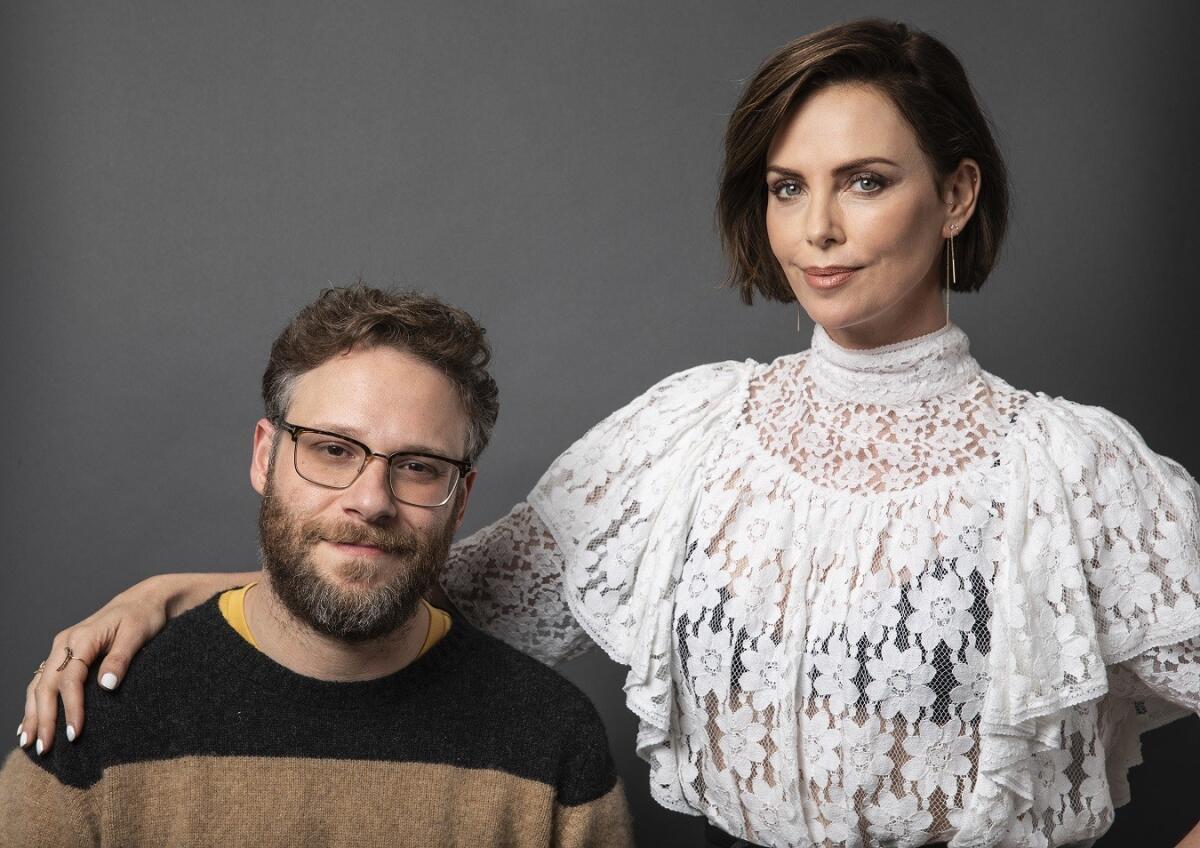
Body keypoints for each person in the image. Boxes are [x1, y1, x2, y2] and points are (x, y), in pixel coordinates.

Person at [18, 19, 1200, 848]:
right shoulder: (691, 432)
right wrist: (184, 593)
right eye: (786, 186)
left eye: (866, 179)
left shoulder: (1069, 466)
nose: (819, 229)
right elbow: (440, 586)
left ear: (954, 196)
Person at [2, 287, 633, 847]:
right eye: (333, 450)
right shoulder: (96, 717)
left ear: (461, 499)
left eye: (417, 466)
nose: (371, 501)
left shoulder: (551, 741)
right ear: (264, 458)